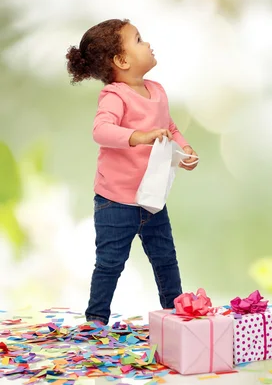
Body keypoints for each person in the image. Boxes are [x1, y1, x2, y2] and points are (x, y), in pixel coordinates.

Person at [66, 19, 197, 325]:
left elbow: (171, 128)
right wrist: (137, 136)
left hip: (152, 198)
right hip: (116, 200)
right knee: (110, 263)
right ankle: (96, 319)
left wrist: (185, 149)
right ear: (122, 61)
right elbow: (101, 130)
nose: (148, 44)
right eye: (139, 40)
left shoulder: (158, 91)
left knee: (166, 259)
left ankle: (174, 316)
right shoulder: (115, 95)